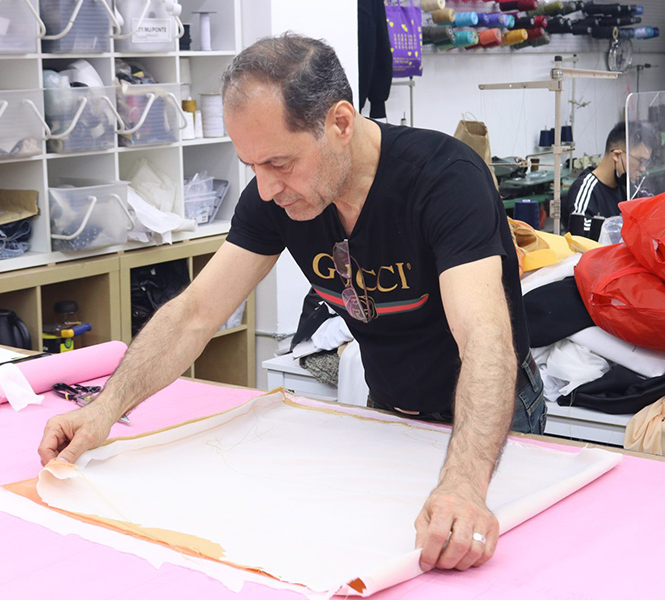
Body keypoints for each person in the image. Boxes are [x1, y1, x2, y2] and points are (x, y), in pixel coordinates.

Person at [38, 34, 545, 574]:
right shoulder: (274, 193)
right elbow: (195, 314)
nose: (267, 186)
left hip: (491, 424)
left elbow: (486, 339)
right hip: (392, 415)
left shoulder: (445, 180)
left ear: (340, 124)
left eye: (280, 162)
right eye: (251, 165)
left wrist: (465, 483)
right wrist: (102, 412)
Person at [563, 121, 654, 234]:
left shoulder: (628, 189)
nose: (643, 169)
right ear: (616, 155)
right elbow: (581, 234)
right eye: (640, 161)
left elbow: (652, 210)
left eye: (646, 163)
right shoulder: (586, 189)